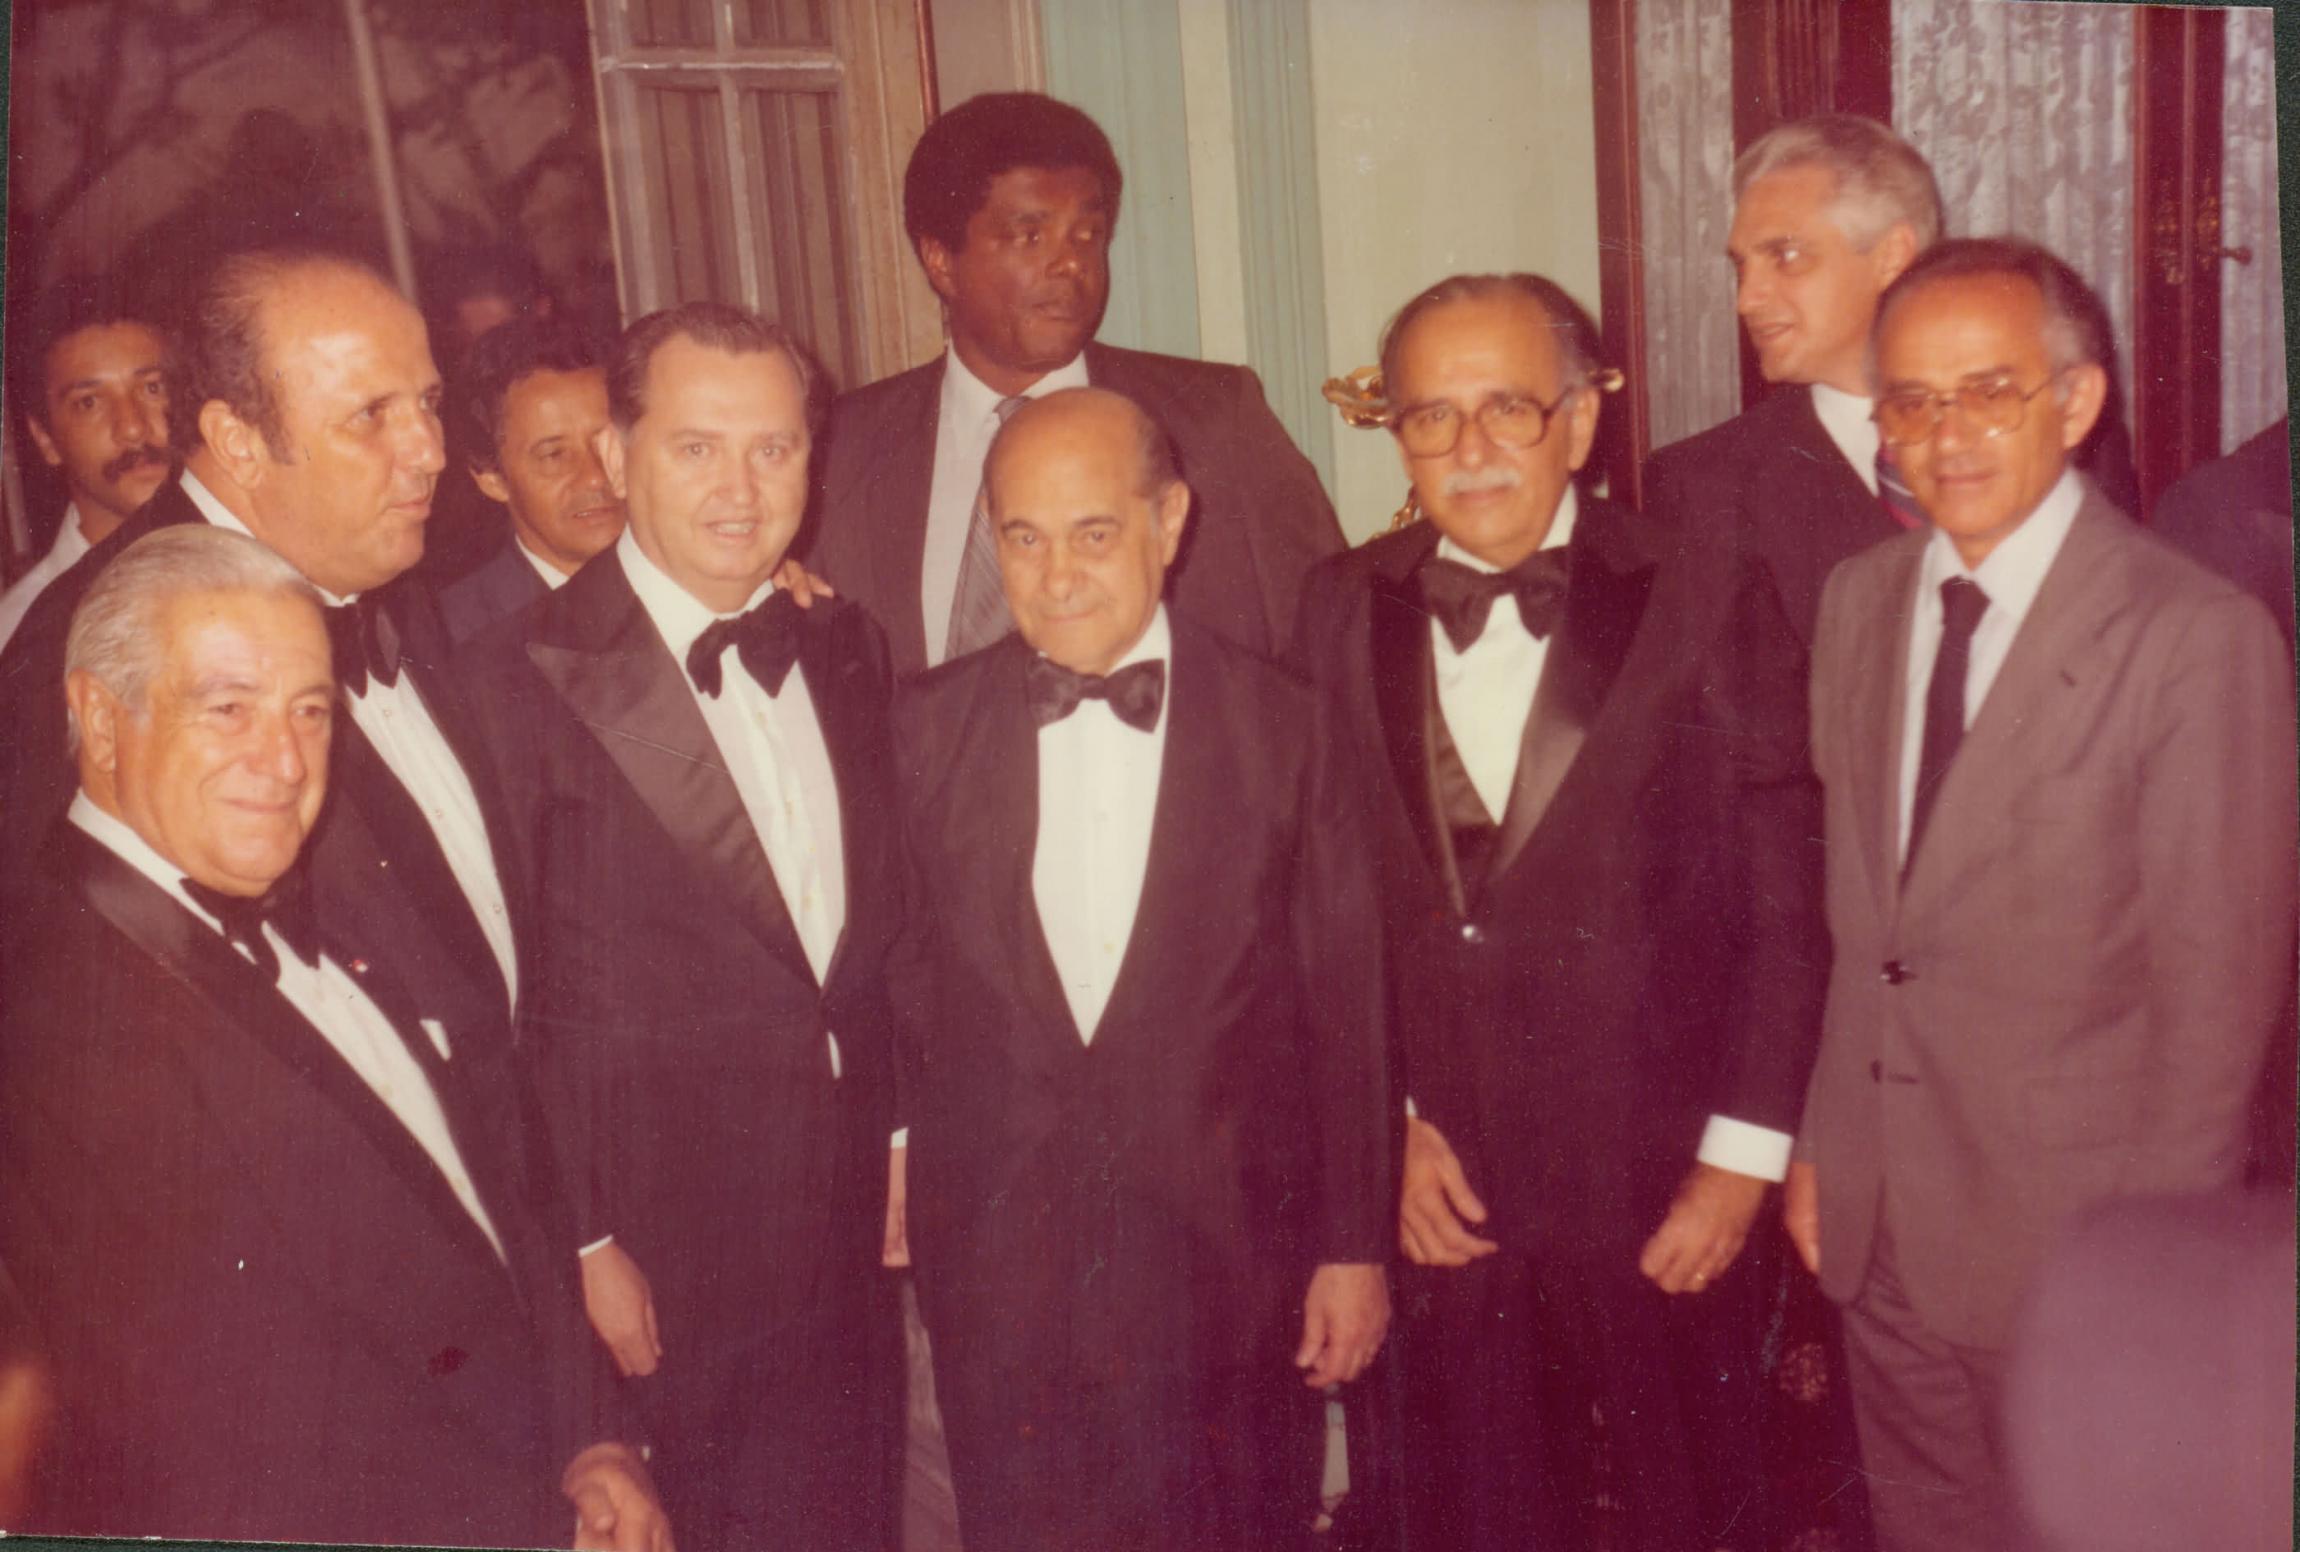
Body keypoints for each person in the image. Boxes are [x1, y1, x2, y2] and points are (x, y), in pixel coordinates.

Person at [0, 525, 669, 1550]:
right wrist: (538, 1529)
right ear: (98, 716)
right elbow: (223, 1445)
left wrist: (592, 1436)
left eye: (310, 710)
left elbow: (483, 1191)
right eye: (228, 707)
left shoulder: (300, 891)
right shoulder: (56, 1024)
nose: (284, 762)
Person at [1290, 274, 1825, 1551]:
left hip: (1658, 1188)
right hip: (1439, 1201)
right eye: (1430, 417)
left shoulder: (1702, 586)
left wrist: (1737, 1164)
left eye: (1507, 409)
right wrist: (1384, 1131)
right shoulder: (1334, 603)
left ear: (1578, 421)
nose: (1468, 448)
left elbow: (1787, 905)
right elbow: (1317, 910)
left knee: (1690, 1512)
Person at [1785, 237, 2297, 1552]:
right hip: (1880, 1221)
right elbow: (1863, 927)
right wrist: (1823, 1147)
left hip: (2074, 1249)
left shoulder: (2193, 637)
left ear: (2075, 402)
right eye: (1910, 400)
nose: (1943, 434)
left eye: (1988, 391)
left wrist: (2151, 1279)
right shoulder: (1855, 602)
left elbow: (2216, 1010)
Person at [887, 386, 1391, 1552]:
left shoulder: (1288, 726)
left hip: (1228, 1259)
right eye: (1023, 536)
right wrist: (902, 1145)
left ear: (1169, 522)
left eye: (1093, 532)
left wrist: (1352, 1245)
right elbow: (900, 968)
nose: (1055, 574)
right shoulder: (920, 727)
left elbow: (1347, 1005)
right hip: (1001, 1266)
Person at [462, 303, 898, 1552]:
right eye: (696, 447)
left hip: (843, 1227)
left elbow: (881, 926)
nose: (740, 489)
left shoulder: (842, 641)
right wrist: (583, 1239)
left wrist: (898, 1129)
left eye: (773, 449)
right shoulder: (506, 679)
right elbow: (498, 1008)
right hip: (655, 1253)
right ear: (616, 454)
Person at [0, 246, 520, 1054]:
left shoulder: (379, 560)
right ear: (236, 443)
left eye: (428, 402)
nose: (431, 451)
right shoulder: (86, 642)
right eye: (370, 415)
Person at [808, 91, 1341, 675]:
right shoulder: (843, 445)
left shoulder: (1216, 422)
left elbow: (1332, 643)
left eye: (1087, 235)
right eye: (1030, 237)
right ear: (940, 261)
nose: (1070, 265)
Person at [1641, 115, 1943, 642]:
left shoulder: (2039, 434)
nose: (1746, 300)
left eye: (1786, 257)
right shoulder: (1707, 487)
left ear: (1891, 256)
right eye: (1742, 266)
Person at [0, 276, 175, 651]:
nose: (132, 427)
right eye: (89, 403)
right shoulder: (19, 636)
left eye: (152, 387)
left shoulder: (265, 562)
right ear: (46, 440)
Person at [441, 315, 624, 644]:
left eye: (608, 442)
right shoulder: (455, 638)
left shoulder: (697, 585)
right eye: (554, 455)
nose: (596, 477)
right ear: (492, 479)